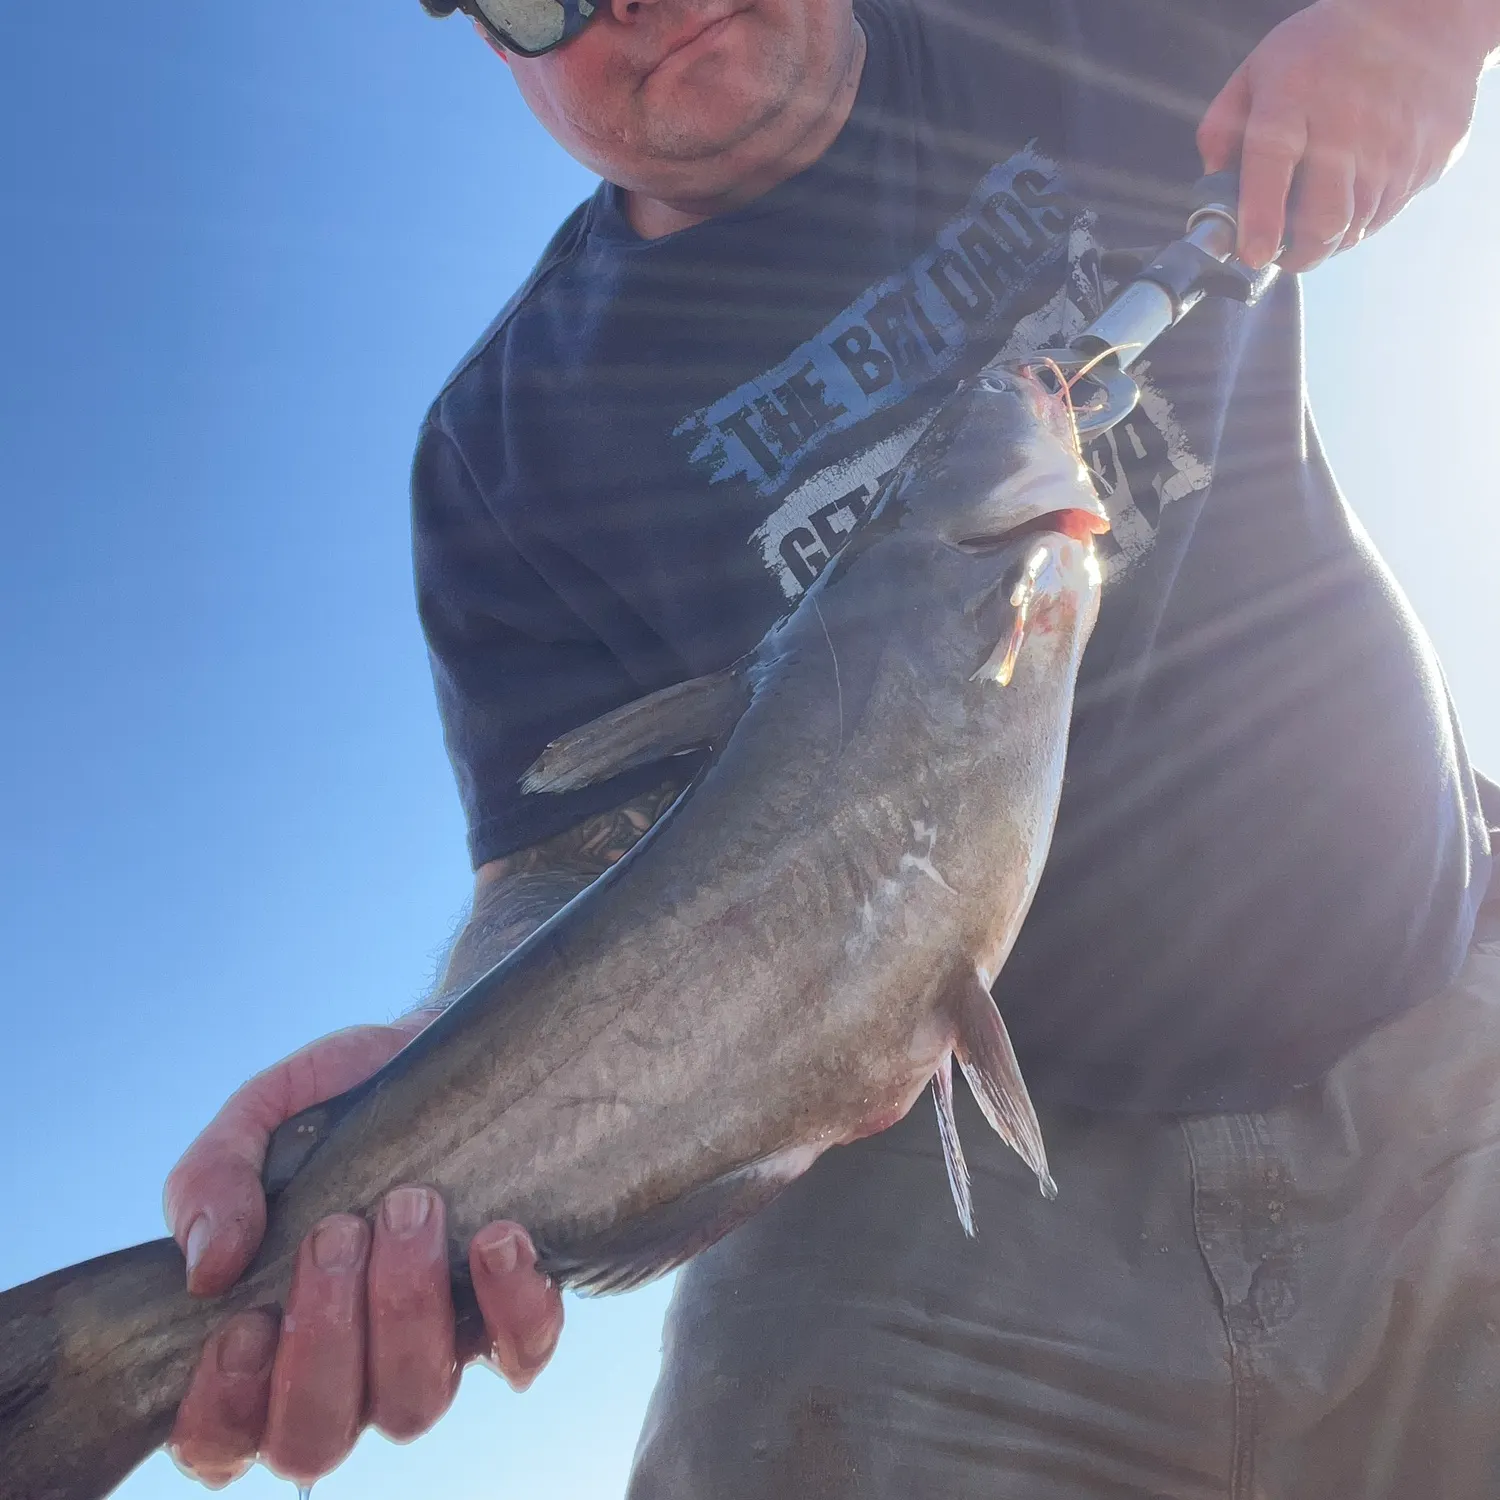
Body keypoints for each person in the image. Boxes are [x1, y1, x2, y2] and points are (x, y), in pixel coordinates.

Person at [162, 0, 1500, 1493]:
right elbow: (555, 871)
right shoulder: (497, 453)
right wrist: (461, 1075)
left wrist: (1421, 24)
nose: (634, 4)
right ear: (488, 38)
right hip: (930, 1193)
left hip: (1452, 1032)